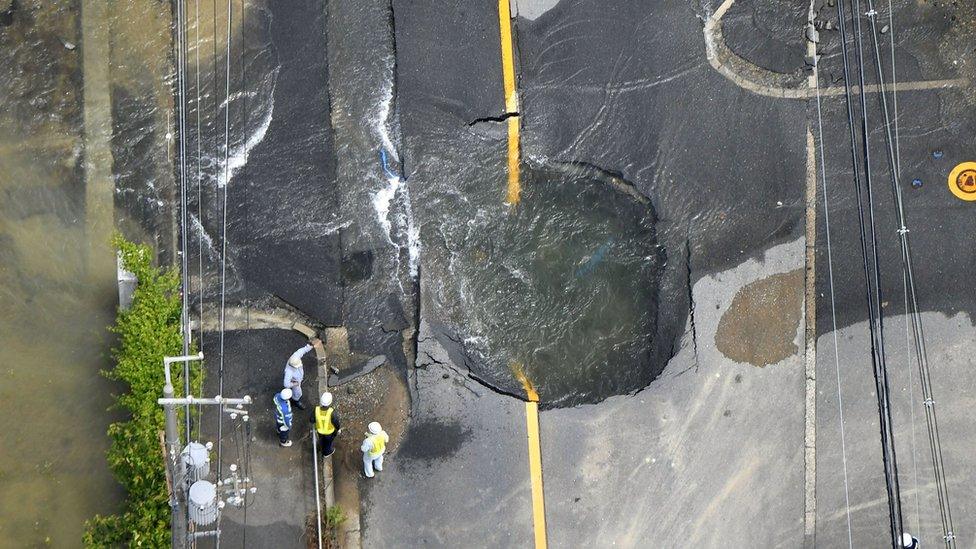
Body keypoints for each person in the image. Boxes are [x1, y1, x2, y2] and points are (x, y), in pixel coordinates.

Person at [282, 338, 318, 409]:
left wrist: (311, 346)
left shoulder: (295, 357)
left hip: (297, 379)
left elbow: (303, 350)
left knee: (295, 391)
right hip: (295, 381)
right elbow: (286, 384)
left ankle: (293, 398)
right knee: (298, 393)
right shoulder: (289, 372)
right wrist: (294, 384)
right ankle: (295, 401)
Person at [310, 392, 341, 457]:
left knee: (322, 440)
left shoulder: (316, 410)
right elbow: (336, 423)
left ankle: (321, 446)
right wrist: (338, 429)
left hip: (320, 432)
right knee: (328, 444)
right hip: (329, 433)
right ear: (330, 402)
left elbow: (311, 419)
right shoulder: (332, 412)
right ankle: (327, 453)